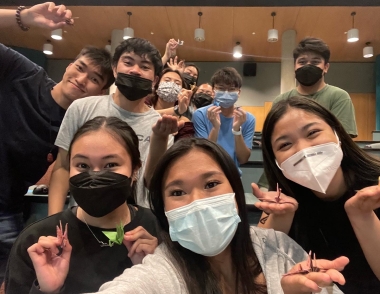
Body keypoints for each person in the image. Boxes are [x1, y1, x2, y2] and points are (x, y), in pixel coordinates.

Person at [27, 138, 348, 294]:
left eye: (211, 184)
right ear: (163, 209)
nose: (198, 201)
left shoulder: (277, 250)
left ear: (236, 193)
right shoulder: (161, 273)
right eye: (178, 192)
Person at [0, 2, 114, 284]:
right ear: (70, 64)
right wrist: (22, 17)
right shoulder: (23, 72)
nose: (81, 78)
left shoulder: (79, 126)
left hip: (7, 211)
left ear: (100, 91)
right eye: (80, 67)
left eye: (94, 78)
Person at [5, 116, 159, 294]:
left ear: (134, 169)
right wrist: (46, 290)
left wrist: (153, 274)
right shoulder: (38, 242)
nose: (94, 176)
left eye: (110, 165)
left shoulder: (158, 231)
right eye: (82, 165)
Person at [253, 96, 380, 293]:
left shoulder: (376, 187)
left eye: (312, 133)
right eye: (285, 145)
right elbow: (254, 279)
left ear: (337, 134)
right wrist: (279, 220)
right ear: (276, 161)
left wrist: (362, 216)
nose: (304, 150)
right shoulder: (282, 202)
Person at [48, 37, 169, 214]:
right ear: (114, 69)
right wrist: (55, 220)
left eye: (144, 67)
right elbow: (63, 167)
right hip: (82, 218)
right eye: (128, 62)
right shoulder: (82, 108)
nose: (135, 71)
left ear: (155, 79)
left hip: (135, 225)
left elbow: (152, 183)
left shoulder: (160, 126)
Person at [273, 37, 357, 138]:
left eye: (315, 62)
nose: (308, 66)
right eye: (302, 62)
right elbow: (276, 137)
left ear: (325, 67)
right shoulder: (281, 100)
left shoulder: (339, 97)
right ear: (294, 66)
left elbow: (343, 140)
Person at [193, 67, 255, 174]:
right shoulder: (201, 115)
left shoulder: (247, 119)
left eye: (231, 89)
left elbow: (243, 159)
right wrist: (215, 128)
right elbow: (203, 154)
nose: (226, 93)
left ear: (239, 92)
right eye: (221, 88)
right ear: (213, 91)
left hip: (233, 175)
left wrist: (236, 130)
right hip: (206, 173)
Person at [145, 68, 195, 141]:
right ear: (157, 85)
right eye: (167, 80)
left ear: (181, 90)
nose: (172, 84)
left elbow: (184, 147)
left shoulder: (183, 122)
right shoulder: (145, 101)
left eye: (177, 83)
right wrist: (177, 110)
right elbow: (142, 114)